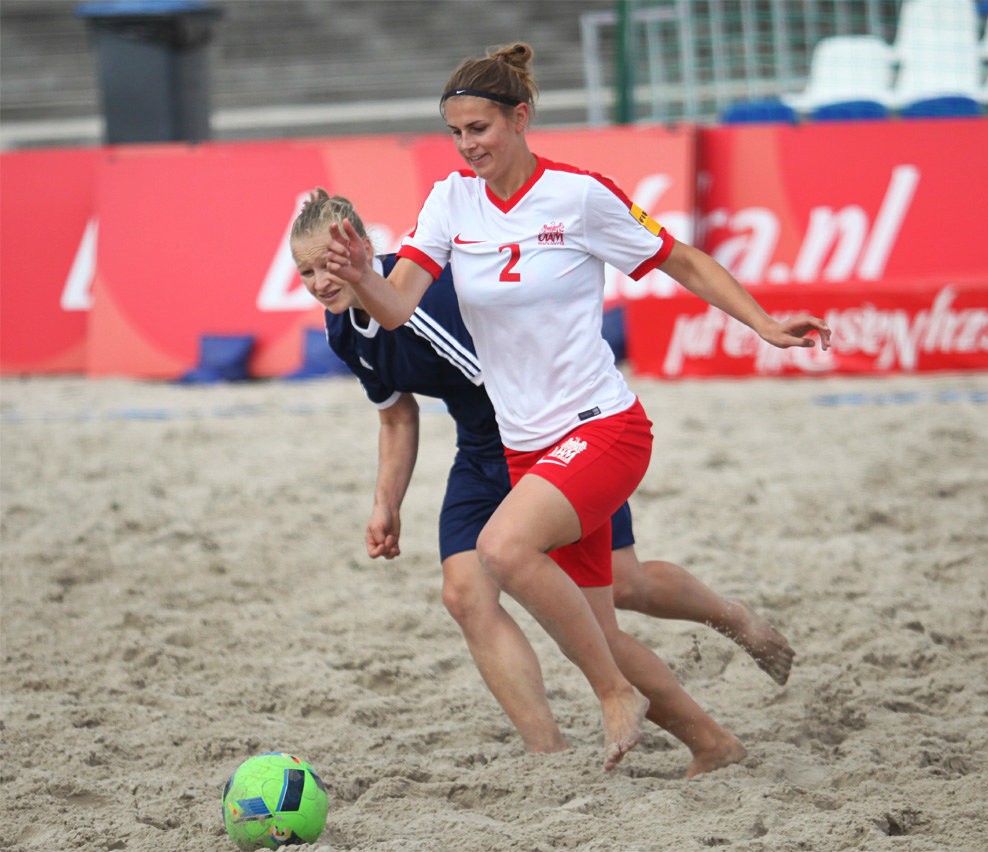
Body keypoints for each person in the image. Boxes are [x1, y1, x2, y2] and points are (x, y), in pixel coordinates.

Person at [323, 42, 831, 773]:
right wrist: (362, 276)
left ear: (520, 117)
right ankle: (714, 745)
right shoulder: (450, 200)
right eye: (456, 132)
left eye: (480, 129)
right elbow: (398, 307)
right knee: (604, 629)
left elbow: (682, 260)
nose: (468, 146)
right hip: (525, 444)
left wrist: (764, 323)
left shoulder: (579, 196)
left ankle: (614, 694)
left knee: (503, 550)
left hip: (603, 427)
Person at [291, 190, 797, 764]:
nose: (320, 281)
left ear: (362, 247)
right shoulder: (341, 329)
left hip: (551, 436)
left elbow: (516, 371)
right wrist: (386, 502)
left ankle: (733, 623)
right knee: (464, 594)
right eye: (306, 271)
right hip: (481, 449)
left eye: (330, 263)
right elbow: (397, 415)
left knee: (622, 588)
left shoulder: (425, 302)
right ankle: (547, 753)